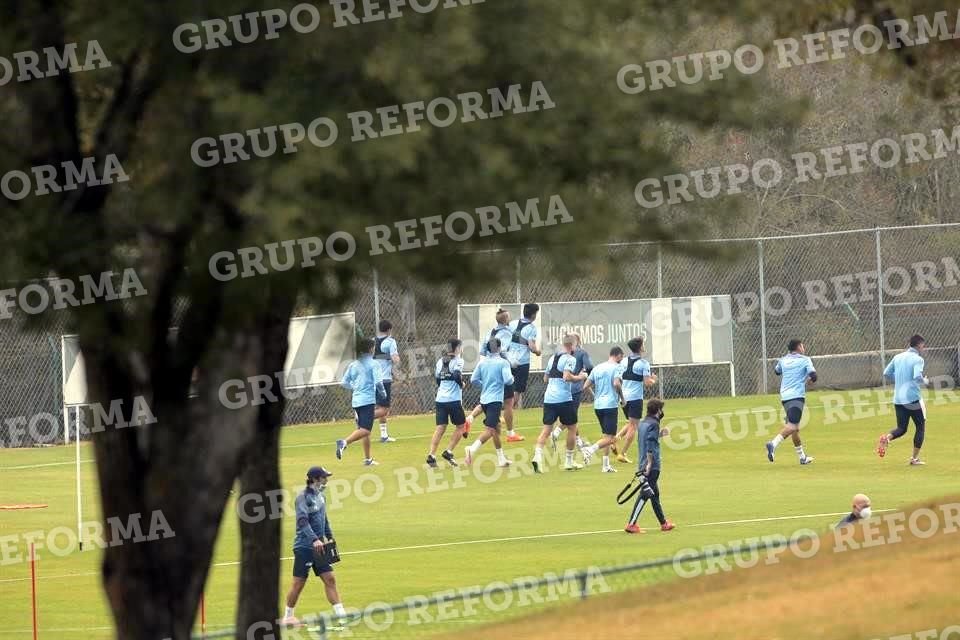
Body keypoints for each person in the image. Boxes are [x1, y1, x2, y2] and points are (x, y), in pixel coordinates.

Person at [282, 466, 347, 626]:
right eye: (324, 477)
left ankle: (341, 616)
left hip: (320, 547)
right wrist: (314, 540)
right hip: (304, 547)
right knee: (298, 584)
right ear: (315, 479)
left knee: (330, 579)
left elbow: (323, 518)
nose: (326, 480)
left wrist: (329, 537)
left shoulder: (321, 496)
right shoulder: (302, 498)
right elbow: (302, 521)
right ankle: (288, 617)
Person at [532, 335, 588, 473]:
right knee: (572, 428)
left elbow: (545, 378)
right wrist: (581, 377)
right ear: (572, 346)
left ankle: (537, 457)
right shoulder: (570, 359)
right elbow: (567, 377)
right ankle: (569, 461)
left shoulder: (552, 358)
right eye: (576, 345)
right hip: (563, 398)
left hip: (549, 398)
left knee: (546, 430)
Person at [877, 334, 930, 465]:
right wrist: (925, 380)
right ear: (919, 345)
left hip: (898, 399)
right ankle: (914, 459)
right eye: (923, 345)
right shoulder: (918, 359)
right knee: (920, 427)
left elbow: (886, 373)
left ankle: (887, 438)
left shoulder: (898, 357)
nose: (924, 348)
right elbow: (917, 377)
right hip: (912, 399)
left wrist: (901, 380)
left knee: (901, 428)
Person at [624, 399, 675, 534]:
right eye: (661, 409)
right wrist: (650, 463)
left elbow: (647, 438)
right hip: (651, 466)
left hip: (642, 463)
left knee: (654, 494)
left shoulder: (643, 423)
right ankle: (631, 524)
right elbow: (651, 444)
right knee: (645, 494)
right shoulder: (654, 424)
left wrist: (660, 434)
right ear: (658, 410)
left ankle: (663, 523)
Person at [464, 338, 515, 467]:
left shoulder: (482, 363)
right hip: (495, 400)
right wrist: (511, 378)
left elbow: (473, 379)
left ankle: (501, 458)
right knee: (490, 430)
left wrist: (485, 385)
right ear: (499, 348)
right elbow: (508, 380)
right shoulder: (503, 363)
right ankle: (471, 449)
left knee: (496, 430)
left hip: (484, 400)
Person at [336, 339, 387, 466]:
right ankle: (344, 442)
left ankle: (367, 459)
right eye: (373, 348)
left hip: (356, 401)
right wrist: (383, 393)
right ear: (370, 349)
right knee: (366, 430)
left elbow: (344, 382)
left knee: (362, 429)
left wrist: (355, 387)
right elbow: (379, 383)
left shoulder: (354, 364)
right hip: (367, 401)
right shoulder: (374, 364)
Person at [765, 339, 817, 465]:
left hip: (784, 396)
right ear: (799, 347)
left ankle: (802, 457)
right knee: (792, 426)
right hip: (797, 396)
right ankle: (773, 444)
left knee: (795, 429)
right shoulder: (805, 359)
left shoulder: (783, 360)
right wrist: (809, 380)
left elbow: (777, 371)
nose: (803, 348)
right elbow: (814, 376)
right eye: (802, 345)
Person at [465, 308, 514, 439]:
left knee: (488, 398)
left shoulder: (490, 332)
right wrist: (511, 362)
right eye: (508, 318)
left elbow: (482, 351)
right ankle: (510, 433)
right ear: (506, 320)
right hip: (499, 366)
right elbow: (503, 350)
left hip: (487, 366)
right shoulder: (507, 332)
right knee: (509, 401)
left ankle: (470, 417)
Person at [612, 337, 657, 463]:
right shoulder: (643, 364)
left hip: (623, 397)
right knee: (634, 425)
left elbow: (618, 378)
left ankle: (615, 439)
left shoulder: (624, 361)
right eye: (643, 344)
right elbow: (647, 383)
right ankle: (623, 453)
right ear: (640, 347)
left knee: (630, 422)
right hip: (635, 398)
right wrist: (654, 379)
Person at [580, 347, 625, 473]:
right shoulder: (617, 367)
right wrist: (622, 398)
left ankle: (605, 465)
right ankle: (590, 449)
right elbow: (616, 383)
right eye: (621, 357)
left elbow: (585, 386)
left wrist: (596, 396)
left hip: (598, 405)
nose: (621, 360)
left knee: (607, 436)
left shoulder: (597, 367)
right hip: (610, 405)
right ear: (618, 355)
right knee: (611, 439)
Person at [503, 303, 542, 442]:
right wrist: (538, 352)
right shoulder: (531, 328)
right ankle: (506, 416)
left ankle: (503, 414)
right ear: (533, 315)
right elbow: (531, 347)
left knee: (507, 388)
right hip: (521, 363)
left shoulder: (513, 323)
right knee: (517, 391)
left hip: (508, 360)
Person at [427, 339, 469, 468]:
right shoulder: (458, 361)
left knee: (440, 427)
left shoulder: (440, 361)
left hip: (440, 399)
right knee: (462, 427)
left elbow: (437, 378)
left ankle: (431, 455)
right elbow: (457, 375)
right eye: (460, 347)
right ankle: (449, 451)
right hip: (453, 400)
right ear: (457, 349)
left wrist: (443, 387)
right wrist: (461, 384)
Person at [550, 333, 593, 452]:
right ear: (577, 341)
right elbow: (589, 366)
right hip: (574, 387)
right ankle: (556, 433)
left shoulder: (560, 354)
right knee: (571, 417)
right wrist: (587, 375)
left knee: (573, 416)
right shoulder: (582, 352)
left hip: (561, 387)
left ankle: (579, 441)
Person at [373, 320, 401, 443]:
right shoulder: (390, 342)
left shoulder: (372, 341)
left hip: (373, 379)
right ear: (389, 330)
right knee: (384, 410)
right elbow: (396, 360)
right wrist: (394, 357)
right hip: (384, 379)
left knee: (381, 408)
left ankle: (384, 435)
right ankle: (363, 417)